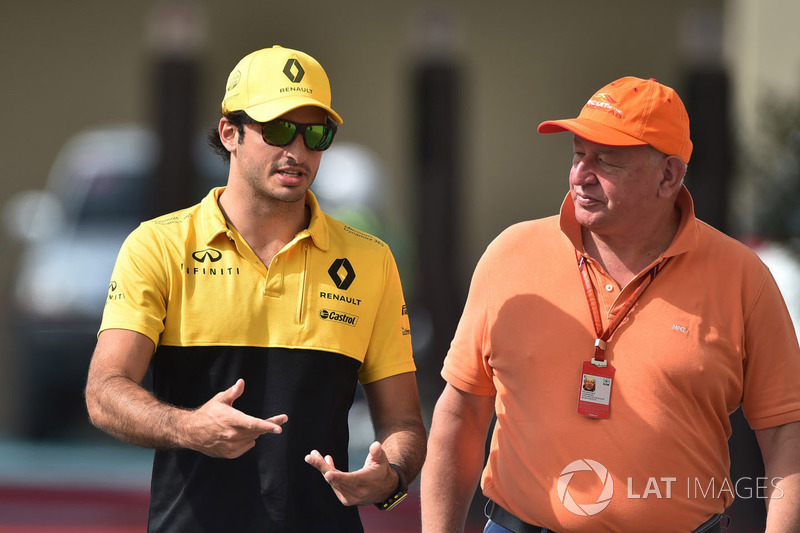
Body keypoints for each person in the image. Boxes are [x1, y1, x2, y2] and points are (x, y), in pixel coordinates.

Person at [421, 76, 800, 532]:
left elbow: (786, 434)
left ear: (669, 176)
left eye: (608, 162)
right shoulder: (510, 255)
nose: (582, 174)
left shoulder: (742, 277)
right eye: (578, 155)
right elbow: (460, 413)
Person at [85, 45, 426, 532]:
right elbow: (104, 391)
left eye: (317, 134)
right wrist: (190, 427)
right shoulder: (158, 246)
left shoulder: (371, 260)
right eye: (279, 129)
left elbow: (404, 423)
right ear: (230, 133)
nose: (298, 151)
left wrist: (388, 477)